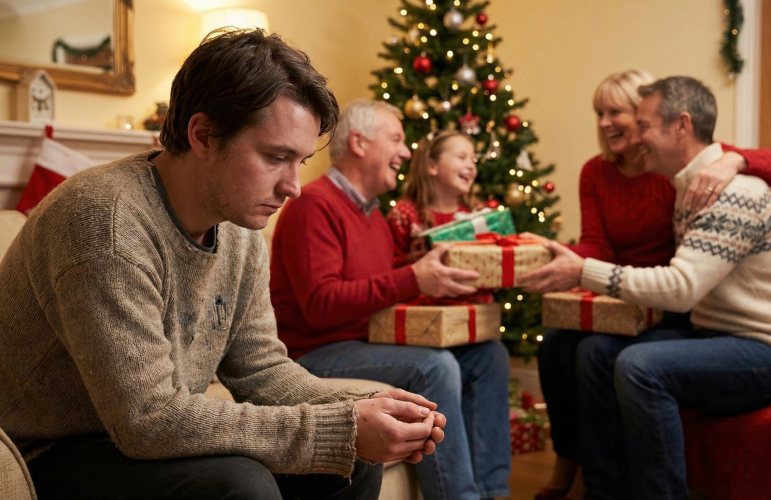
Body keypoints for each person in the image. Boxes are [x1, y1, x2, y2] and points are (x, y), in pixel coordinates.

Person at [0, 29, 447, 500]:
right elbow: (148, 419)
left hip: (134, 437)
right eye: (276, 157)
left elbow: (260, 370)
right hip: (42, 452)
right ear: (203, 134)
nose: (293, 186)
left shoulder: (240, 229)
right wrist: (338, 427)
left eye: (300, 161)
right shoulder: (104, 222)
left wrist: (362, 407)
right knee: (239, 484)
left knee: (350, 465)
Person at [524, 76, 771, 500]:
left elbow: (682, 287)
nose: (635, 135)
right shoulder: (685, 184)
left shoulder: (730, 191)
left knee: (640, 365)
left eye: (644, 125)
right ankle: (606, 489)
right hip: (718, 333)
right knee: (586, 352)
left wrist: (583, 272)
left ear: (681, 126)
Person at [270, 98, 512, 500]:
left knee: (489, 356)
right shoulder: (314, 204)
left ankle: (494, 492)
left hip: (367, 341)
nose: (405, 152)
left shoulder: (372, 213)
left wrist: (428, 274)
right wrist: (413, 278)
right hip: (316, 351)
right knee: (434, 366)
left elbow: (385, 281)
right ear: (361, 144)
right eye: (397, 139)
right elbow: (322, 304)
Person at [387, 129, 480, 268]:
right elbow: (388, 267)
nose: (471, 166)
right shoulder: (404, 214)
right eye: (461, 157)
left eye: (473, 160)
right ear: (432, 166)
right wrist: (412, 261)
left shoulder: (477, 213)